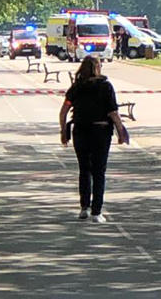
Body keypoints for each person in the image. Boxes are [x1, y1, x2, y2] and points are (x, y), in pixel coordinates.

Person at [59, 57, 128, 223]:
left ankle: (84, 208)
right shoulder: (106, 87)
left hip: (80, 131)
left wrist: (63, 131)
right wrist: (121, 131)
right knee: (99, 171)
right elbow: (113, 112)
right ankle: (97, 211)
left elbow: (64, 110)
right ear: (98, 68)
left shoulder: (76, 87)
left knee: (84, 169)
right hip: (100, 131)